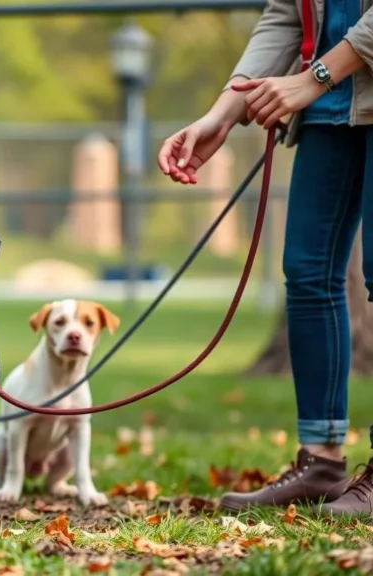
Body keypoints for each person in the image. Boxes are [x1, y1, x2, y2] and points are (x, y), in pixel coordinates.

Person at [158, 0, 373, 514]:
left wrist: (315, 76)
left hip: (324, 86)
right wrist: (223, 113)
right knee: (308, 275)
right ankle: (319, 462)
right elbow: (286, 13)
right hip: (327, 109)